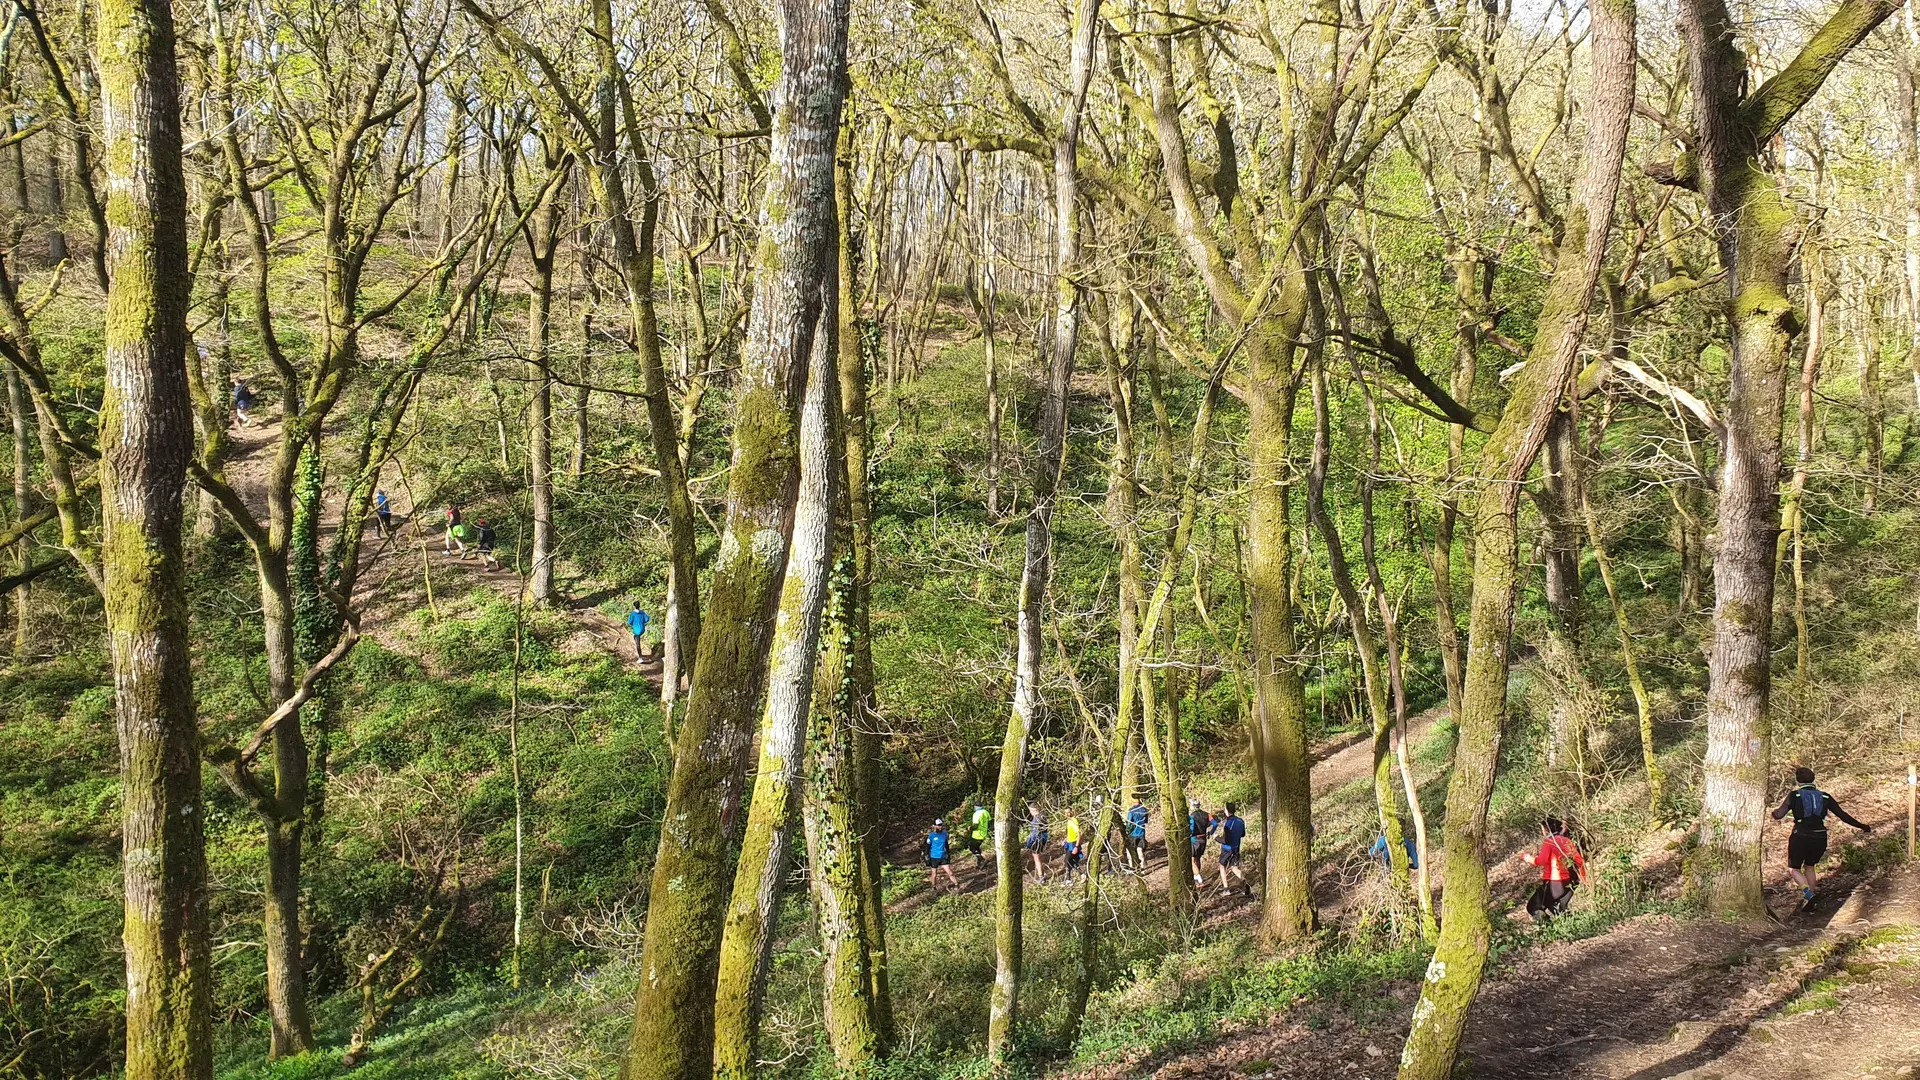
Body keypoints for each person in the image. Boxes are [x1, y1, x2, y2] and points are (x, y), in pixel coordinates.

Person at [1771, 766, 1872, 904]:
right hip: (1820, 837)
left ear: (1798, 781)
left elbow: (1779, 814)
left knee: (1794, 868)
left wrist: (1773, 813)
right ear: (1813, 780)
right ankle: (1810, 898)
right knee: (1810, 866)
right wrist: (1863, 826)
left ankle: (1806, 891)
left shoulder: (1795, 795)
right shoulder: (1825, 796)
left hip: (1800, 836)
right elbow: (1843, 815)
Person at [1526, 818, 1587, 920]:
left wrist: (1527, 858)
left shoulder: (1549, 842)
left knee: (1533, 907)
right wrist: (1584, 879)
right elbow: (1579, 861)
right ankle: (1569, 927)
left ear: (1547, 830)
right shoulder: (1567, 841)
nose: (1542, 831)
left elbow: (1540, 861)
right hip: (1569, 882)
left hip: (1554, 883)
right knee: (1558, 907)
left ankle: (1548, 929)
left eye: (1542, 828)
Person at [1215, 802, 1250, 897]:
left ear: (1227, 811)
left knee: (1222, 866)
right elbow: (1243, 834)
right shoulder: (1240, 821)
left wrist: (1216, 837)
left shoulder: (1228, 824)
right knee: (1234, 867)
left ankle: (1226, 889)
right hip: (1236, 848)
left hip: (1227, 849)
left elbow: (1226, 840)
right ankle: (1246, 884)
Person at [923, 818, 959, 891]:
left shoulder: (944, 833)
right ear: (934, 826)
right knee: (934, 874)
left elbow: (946, 843)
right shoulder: (931, 835)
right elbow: (927, 846)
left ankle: (956, 885)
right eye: (938, 825)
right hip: (934, 857)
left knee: (950, 872)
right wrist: (926, 855)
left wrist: (948, 853)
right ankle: (933, 887)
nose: (940, 827)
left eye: (941, 825)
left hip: (942, 856)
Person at [1188, 799, 1215, 887]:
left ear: (1192, 806)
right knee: (1198, 859)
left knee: (1192, 860)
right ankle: (1197, 878)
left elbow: (1191, 829)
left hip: (1194, 839)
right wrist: (1210, 833)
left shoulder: (1192, 816)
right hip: (1203, 838)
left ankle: (1199, 880)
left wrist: (1188, 835)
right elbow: (1215, 824)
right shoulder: (1207, 814)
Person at [1024, 802, 1049, 883]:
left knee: (1036, 858)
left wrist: (1029, 843)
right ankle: (1043, 873)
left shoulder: (1036, 819)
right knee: (1039, 857)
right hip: (1044, 839)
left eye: (1030, 810)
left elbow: (1034, 834)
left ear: (1032, 810)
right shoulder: (1043, 816)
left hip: (1037, 840)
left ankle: (1041, 877)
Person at [1124, 798, 1151, 872]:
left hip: (1133, 834)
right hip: (1141, 833)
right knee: (1140, 851)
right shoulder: (1144, 810)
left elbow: (1129, 823)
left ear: (1133, 802)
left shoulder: (1131, 810)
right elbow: (1145, 821)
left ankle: (1131, 868)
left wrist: (1127, 831)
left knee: (1130, 851)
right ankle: (1143, 869)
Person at [1061, 810, 1084, 881]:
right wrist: (1065, 840)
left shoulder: (1074, 821)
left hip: (1073, 844)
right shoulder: (1069, 821)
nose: (1067, 814)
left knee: (1067, 861)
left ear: (1071, 812)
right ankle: (1082, 875)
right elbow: (1070, 833)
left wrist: (1076, 847)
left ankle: (1068, 880)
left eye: (1068, 812)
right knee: (1071, 861)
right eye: (1066, 812)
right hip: (1069, 843)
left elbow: (1078, 834)